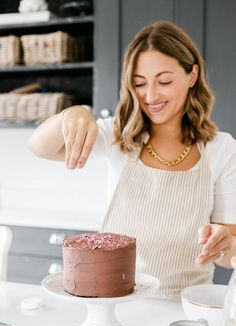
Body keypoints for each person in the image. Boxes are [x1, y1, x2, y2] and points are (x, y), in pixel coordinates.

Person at [28, 20, 236, 298]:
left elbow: (226, 253)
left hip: (188, 306)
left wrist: (225, 246)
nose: (150, 95)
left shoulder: (221, 149)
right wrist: (71, 113)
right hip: (117, 302)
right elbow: (39, 147)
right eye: (139, 83)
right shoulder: (117, 136)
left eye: (164, 81)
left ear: (192, 75)